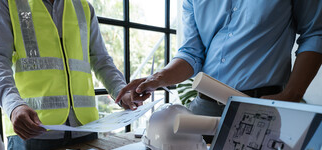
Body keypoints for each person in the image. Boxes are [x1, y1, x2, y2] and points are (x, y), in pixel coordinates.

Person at [0, 0, 137, 150]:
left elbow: (101, 60)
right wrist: (13, 104)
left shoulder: (83, 6)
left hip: (86, 129)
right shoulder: (5, 2)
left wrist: (122, 92)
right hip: (32, 131)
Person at [116, 1, 322, 119]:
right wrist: (157, 79)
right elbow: (191, 53)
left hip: (261, 107)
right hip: (204, 107)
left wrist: (292, 94)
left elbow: (315, 33)